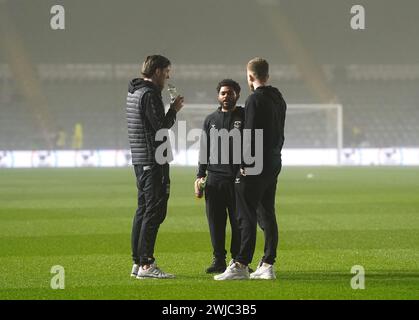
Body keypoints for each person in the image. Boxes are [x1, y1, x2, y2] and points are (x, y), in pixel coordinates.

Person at [214, 57, 287, 280]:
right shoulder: (279, 98)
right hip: (273, 162)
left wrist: (245, 163)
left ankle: (241, 264)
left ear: (250, 77)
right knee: (267, 212)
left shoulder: (255, 100)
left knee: (245, 214)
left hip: (255, 165)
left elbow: (250, 134)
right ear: (268, 75)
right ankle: (267, 264)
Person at [126, 55, 184, 279]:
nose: (168, 76)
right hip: (153, 159)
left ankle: (137, 261)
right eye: (167, 71)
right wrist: (174, 110)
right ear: (158, 71)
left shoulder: (134, 91)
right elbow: (161, 126)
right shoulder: (150, 94)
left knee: (143, 209)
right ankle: (147, 264)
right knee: (154, 211)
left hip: (141, 159)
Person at [196, 79, 244, 273]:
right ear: (218, 96)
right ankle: (218, 260)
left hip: (237, 179)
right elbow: (204, 149)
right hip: (214, 179)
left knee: (238, 221)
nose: (226, 96)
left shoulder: (246, 116)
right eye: (223, 93)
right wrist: (200, 175)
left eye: (230, 93)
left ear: (237, 95)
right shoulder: (210, 120)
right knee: (215, 222)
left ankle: (237, 259)